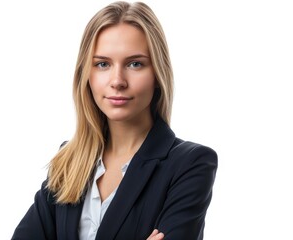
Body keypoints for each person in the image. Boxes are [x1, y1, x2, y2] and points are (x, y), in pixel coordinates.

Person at [12, 1, 217, 239]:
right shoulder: (69, 161)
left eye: (135, 64)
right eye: (102, 64)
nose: (117, 80)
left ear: (157, 74)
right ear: (86, 75)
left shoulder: (190, 164)